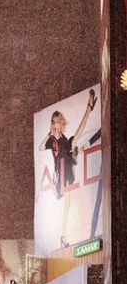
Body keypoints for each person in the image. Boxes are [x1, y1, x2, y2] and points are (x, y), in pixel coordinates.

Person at [39, 88, 97, 248]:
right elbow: (41, 147)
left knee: (69, 205)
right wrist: (48, 133)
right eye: (54, 122)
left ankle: (64, 236)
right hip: (61, 176)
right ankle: (63, 236)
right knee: (67, 205)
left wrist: (88, 110)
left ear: (61, 124)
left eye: (58, 122)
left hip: (68, 174)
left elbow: (80, 128)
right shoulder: (51, 140)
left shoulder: (67, 142)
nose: (56, 125)